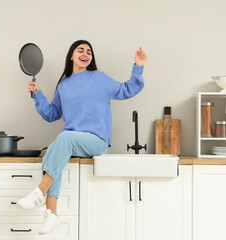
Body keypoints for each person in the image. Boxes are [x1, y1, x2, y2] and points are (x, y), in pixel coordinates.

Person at [16, 40, 147, 235]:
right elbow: (52, 114)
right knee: (53, 150)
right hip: (71, 141)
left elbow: (126, 89)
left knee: (63, 139)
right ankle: (51, 214)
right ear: (71, 55)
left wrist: (138, 66)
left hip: (96, 140)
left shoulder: (99, 78)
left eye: (89, 51)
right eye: (80, 50)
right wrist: (38, 94)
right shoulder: (64, 85)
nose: (85, 54)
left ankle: (40, 192)